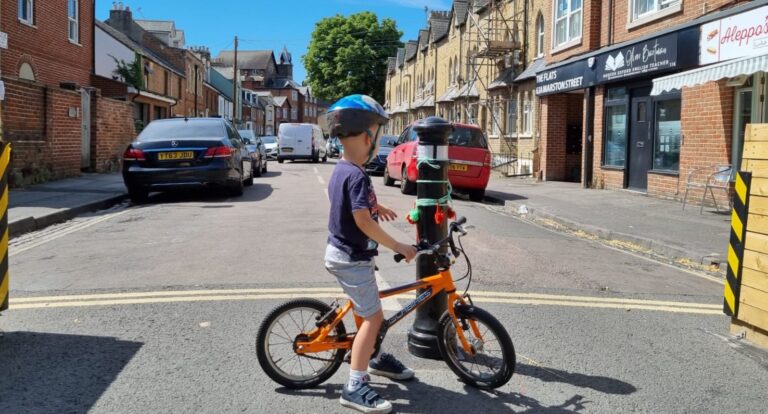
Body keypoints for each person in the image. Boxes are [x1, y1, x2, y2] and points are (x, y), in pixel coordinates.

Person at [324, 95, 418, 414]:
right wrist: (400, 246)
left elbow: (353, 206)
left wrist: (379, 207)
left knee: (367, 311)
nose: (379, 139)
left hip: (341, 252)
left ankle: (374, 356)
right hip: (352, 257)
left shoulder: (343, 169)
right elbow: (362, 220)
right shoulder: (358, 175)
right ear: (368, 136)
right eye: (379, 131)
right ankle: (355, 385)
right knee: (374, 317)